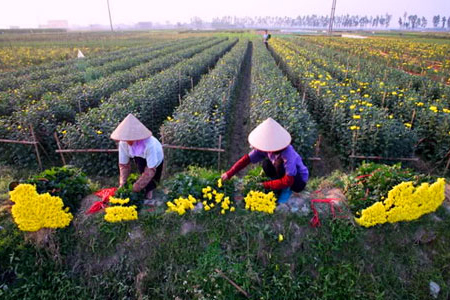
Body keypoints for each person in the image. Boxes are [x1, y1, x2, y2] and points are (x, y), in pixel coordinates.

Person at [221, 118, 308, 203]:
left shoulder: (288, 154)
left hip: (297, 180)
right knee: (266, 164)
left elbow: (288, 180)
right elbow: (246, 159)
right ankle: (277, 183)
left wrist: (265, 185)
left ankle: (286, 189)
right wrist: (229, 173)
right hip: (281, 172)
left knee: (282, 169)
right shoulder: (266, 147)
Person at [110, 113, 164, 200]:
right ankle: (143, 187)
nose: (128, 141)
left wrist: (136, 187)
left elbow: (151, 169)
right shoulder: (123, 143)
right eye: (127, 139)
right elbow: (124, 165)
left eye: (131, 139)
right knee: (141, 168)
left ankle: (150, 190)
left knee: (154, 173)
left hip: (156, 154)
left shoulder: (149, 144)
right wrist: (122, 183)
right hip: (138, 155)